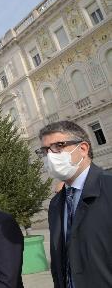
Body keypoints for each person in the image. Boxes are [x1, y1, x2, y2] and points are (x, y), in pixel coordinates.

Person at [38, 121, 112, 287]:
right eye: (45, 150)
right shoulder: (57, 203)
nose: (51, 155)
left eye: (59, 146)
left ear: (83, 149)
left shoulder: (108, 187)